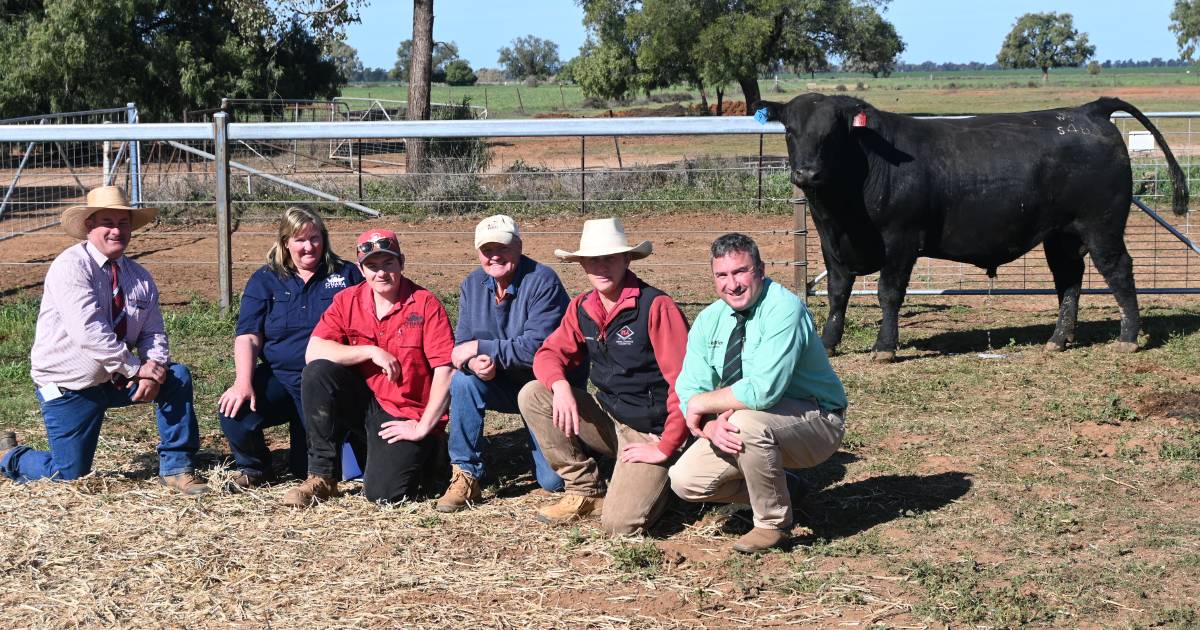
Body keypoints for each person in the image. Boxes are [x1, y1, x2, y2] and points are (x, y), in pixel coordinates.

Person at [0, 186, 207, 494]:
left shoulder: (139, 277)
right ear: (89, 226)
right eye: (107, 222)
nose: (116, 230)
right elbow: (89, 331)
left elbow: (153, 332)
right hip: (70, 384)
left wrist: (154, 365)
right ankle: (10, 457)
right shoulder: (70, 267)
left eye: (123, 223)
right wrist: (136, 369)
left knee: (175, 377)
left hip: (116, 378)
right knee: (68, 475)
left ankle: (177, 467)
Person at [668, 233, 848, 553]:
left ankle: (772, 524)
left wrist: (701, 404)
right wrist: (708, 424)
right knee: (686, 480)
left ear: (761, 270)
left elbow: (763, 390)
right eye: (722, 275)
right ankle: (786, 489)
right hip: (752, 422)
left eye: (741, 271)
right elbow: (690, 385)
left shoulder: (783, 309)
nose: (732, 284)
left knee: (746, 423)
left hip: (816, 418)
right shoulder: (710, 320)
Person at [517, 218, 690, 534]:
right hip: (610, 419)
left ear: (626, 259)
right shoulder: (582, 307)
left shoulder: (656, 306)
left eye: (609, 258)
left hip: (651, 430)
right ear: (581, 263)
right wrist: (562, 387)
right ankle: (585, 490)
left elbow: (686, 384)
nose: (601, 266)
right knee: (534, 393)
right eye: (592, 259)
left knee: (619, 524)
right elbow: (547, 354)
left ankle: (669, 477)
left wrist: (666, 445)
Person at [282, 228, 454, 507]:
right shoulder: (347, 300)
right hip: (366, 404)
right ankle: (322, 477)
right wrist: (370, 351)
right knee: (318, 373)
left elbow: (446, 371)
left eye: (388, 263)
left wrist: (423, 427)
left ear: (402, 262)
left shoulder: (425, 304)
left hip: (405, 412)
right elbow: (314, 351)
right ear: (361, 270)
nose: (381, 273)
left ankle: (432, 449)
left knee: (384, 494)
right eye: (372, 266)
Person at [437, 215, 577, 512]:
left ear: (519, 246)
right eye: (487, 250)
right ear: (478, 253)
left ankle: (583, 444)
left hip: (542, 388)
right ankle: (465, 473)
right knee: (463, 381)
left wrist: (481, 348)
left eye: (503, 247)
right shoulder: (472, 285)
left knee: (553, 482)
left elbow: (537, 349)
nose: (495, 256)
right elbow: (462, 346)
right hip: (500, 382)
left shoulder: (542, 281)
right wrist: (475, 364)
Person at [216, 207, 363, 489]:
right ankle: (256, 467)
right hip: (281, 377)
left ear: (325, 239)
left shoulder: (346, 275)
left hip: (325, 381)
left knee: (304, 469)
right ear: (286, 242)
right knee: (234, 411)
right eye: (299, 239)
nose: (309, 247)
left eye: (315, 238)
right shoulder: (265, 279)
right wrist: (243, 382)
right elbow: (248, 335)